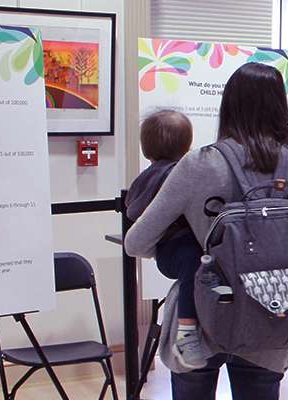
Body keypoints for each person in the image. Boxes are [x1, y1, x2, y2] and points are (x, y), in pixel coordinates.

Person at [125, 62, 288, 400]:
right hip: (275, 317)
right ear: (280, 106)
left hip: (200, 321)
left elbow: (136, 242)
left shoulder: (200, 164)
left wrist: (185, 249)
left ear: (228, 106)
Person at [124, 109, 208, 369]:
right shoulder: (176, 174)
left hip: (166, 250)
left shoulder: (144, 178)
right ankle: (186, 332)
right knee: (193, 265)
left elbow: (132, 210)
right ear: (187, 146)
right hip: (180, 253)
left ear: (146, 148)